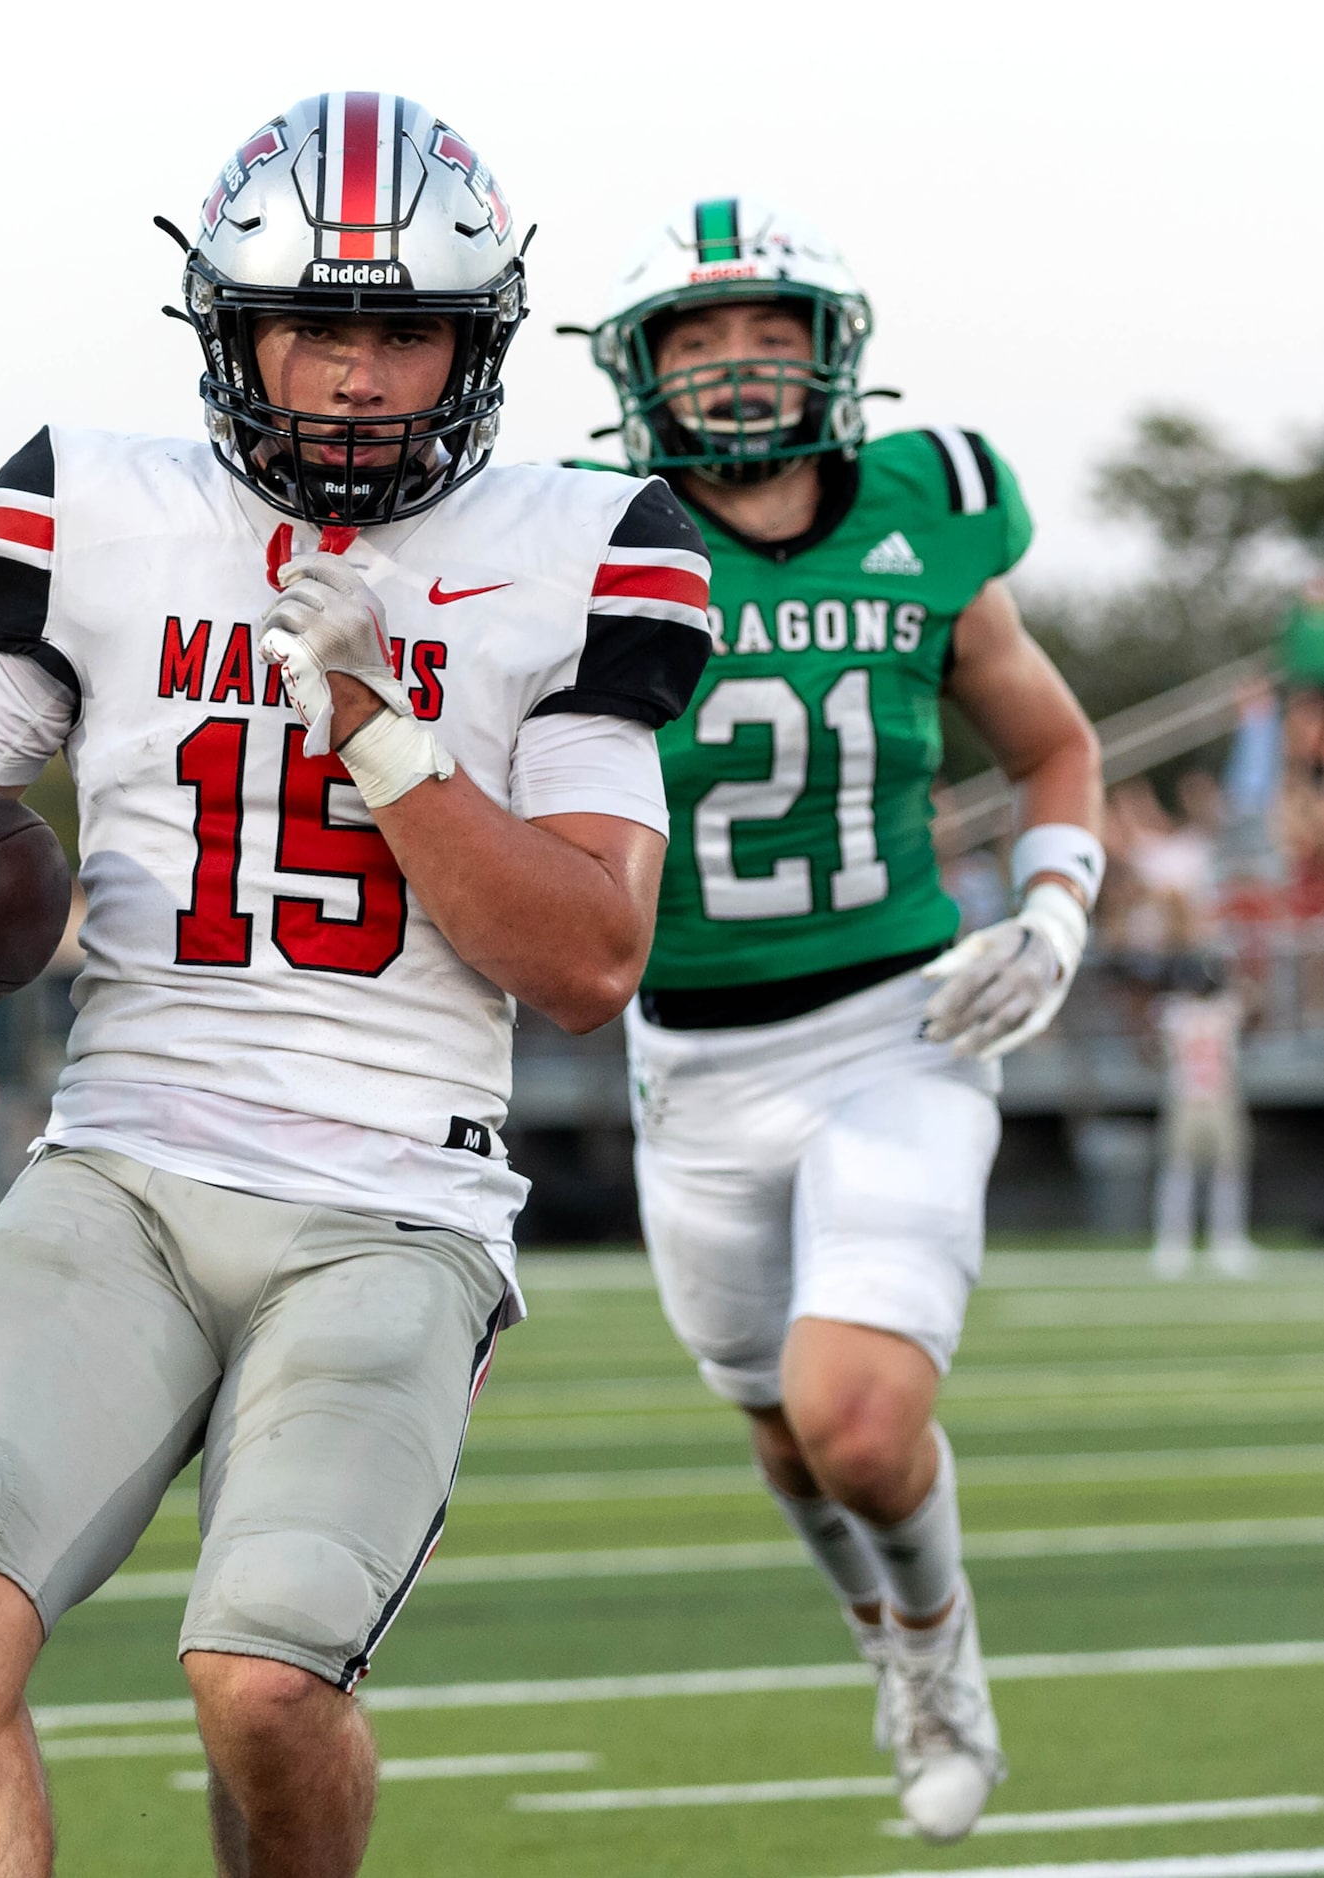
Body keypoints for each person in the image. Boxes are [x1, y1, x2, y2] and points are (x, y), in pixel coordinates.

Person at [0, 94, 709, 1878]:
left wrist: (379, 725)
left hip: (393, 1194)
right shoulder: (98, 509)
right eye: (315, 326)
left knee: (265, 1675)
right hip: (121, 1159)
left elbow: (586, 956)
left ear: (473, 342)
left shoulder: (587, 539)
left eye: (402, 329)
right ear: (233, 330)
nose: (354, 375)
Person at [585, 200, 1104, 1843]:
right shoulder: (581, 540)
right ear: (640, 375)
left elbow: (1053, 750)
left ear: (832, 355)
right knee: (789, 1439)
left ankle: (940, 1664)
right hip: (687, 1057)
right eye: (695, 340)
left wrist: (1058, 908)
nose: (736, 370)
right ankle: (881, 1626)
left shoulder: (927, 507)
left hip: (901, 1023)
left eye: (767, 333)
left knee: (860, 1419)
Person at [1151, 953, 1256, 1276]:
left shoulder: (1201, 1009)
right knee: (1181, 1171)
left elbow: (1254, 1007)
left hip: (1217, 1096)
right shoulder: (1176, 1011)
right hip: (1190, 1096)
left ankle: (1224, 1240)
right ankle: (1174, 1241)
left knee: (1226, 1170)